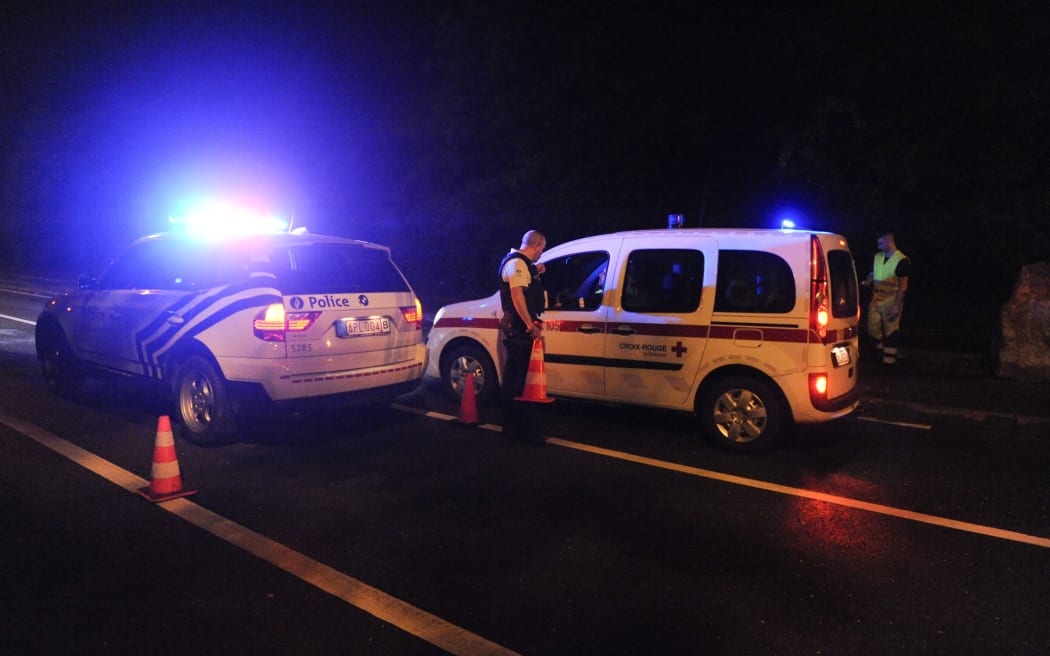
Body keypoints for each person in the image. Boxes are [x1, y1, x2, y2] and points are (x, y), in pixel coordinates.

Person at [498, 229, 547, 442]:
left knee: (518, 379)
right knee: (515, 381)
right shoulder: (517, 263)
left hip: (520, 330)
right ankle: (513, 428)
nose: (541, 253)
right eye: (541, 249)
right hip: (519, 331)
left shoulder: (522, 264)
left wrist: (536, 270)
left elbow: (526, 288)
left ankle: (517, 426)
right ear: (536, 246)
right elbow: (517, 295)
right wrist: (529, 325)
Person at [862, 231, 911, 365]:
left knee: (891, 331)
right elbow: (873, 273)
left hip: (891, 299)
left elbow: (902, 287)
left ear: (889, 241)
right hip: (876, 297)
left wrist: (896, 306)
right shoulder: (878, 257)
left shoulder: (902, 261)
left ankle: (889, 363)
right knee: (872, 329)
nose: (878, 246)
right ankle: (882, 354)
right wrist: (866, 283)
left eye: (881, 243)